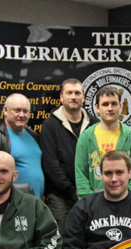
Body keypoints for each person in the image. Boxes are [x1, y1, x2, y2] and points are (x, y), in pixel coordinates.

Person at [40, 78, 93, 231]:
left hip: (89, 194)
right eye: (69, 93)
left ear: (83, 98)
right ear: (61, 98)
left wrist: (85, 191)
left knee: (90, 236)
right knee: (62, 238)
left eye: (77, 93)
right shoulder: (50, 125)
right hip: (60, 198)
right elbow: (51, 164)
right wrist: (72, 191)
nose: (73, 97)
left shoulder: (94, 124)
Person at [75, 86, 131, 195]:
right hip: (94, 202)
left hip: (125, 201)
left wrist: (129, 200)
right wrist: (89, 202)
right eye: (105, 104)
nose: (110, 108)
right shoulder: (85, 138)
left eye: (114, 104)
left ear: (120, 106)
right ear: (97, 108)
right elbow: (81, 175)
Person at [0, 93, 44, 198]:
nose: (21, 115)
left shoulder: (34, 136)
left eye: (25, 111)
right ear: (5, 110)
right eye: (17, 110)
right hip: (10, 202)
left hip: (37, 201)